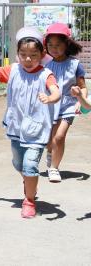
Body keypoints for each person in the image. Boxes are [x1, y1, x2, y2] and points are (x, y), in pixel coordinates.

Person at [0, 27, 61, 218]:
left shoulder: (46, 74)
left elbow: (56, 91)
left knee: (30, 165)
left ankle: (29, 201)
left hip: (37, 129)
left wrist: (51, 98)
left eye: (33, 55)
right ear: (18, 54)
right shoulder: (13, 70)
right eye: (23, 54)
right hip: (16, 127)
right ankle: (28, 181)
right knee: (19, 164)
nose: (28, 59)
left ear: (42, 54)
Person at [44, 23, 87, 183]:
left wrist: (80, 102)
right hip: (51, 107)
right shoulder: (47, 66)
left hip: (69, 106)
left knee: (59, 137)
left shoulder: (75, 64)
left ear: (66, 44)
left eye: (58, 45)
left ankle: (54, 168)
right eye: (50, 45)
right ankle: (50, 153)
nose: (54, 48)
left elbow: (83, 87)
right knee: (49, 141)